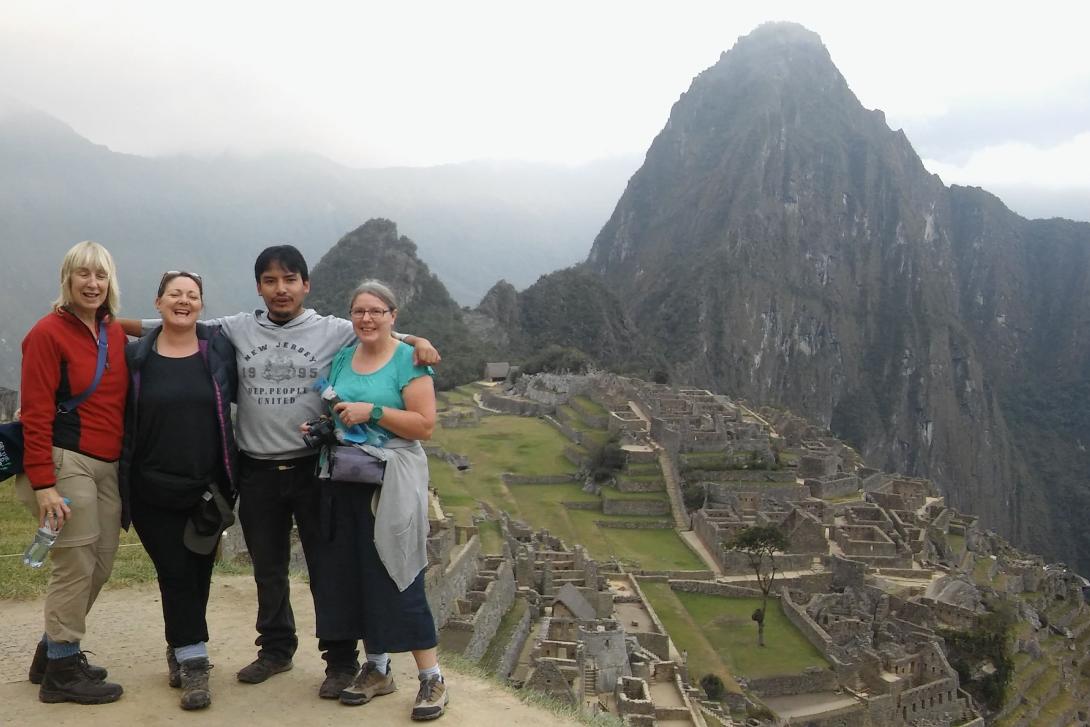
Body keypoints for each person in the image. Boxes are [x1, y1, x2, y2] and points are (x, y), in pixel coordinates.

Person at [118, 244, 440, 699]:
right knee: (267, 568)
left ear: (306, 285)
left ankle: (340, 660)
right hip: (258, 468)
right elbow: (169, 324)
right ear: (259, 287)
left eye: (290, 279)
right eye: (270, 280)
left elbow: (380, 330)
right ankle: (275, 649)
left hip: (315, 468)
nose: (280, 289)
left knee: (328, 567)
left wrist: (417, 341)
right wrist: (97, 321)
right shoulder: (236, 328)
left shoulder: (334, 330)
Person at [308, 279, 447, 721]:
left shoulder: (409, 359)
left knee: (397, 573)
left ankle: (432, 679)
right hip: (345, 478)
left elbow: (425, 426)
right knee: (354, 574)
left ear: (392, 316)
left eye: (376, 311)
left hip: (393, 482)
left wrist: (376, 412)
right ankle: (378, 668)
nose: (366, 318)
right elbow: (336, 411)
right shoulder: (345, 357)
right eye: (359, 311)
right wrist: (322, 428)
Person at [118, 271, 238, 710]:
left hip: (206, 489)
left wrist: (411, 340)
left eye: (192, 295)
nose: (183, 301)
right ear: (158, 302)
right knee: (175, 571)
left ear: (202, 304)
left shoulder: (218, 349)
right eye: (175, 294)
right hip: (151, 489)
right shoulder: (136, 358)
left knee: (198, 572)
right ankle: (194, 661)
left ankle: (180, 645)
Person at [15, 241, 128, 704]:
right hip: (65, 462)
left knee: (99, 563)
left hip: (108, 465)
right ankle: (63, 669)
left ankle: (51, 653)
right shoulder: (47, 334)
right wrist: (44, 485)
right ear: (67, 278)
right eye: (83, 274)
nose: (92, 283)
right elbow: (37, 414)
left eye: (100, 275)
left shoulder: (112, 332)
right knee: (75, 564)